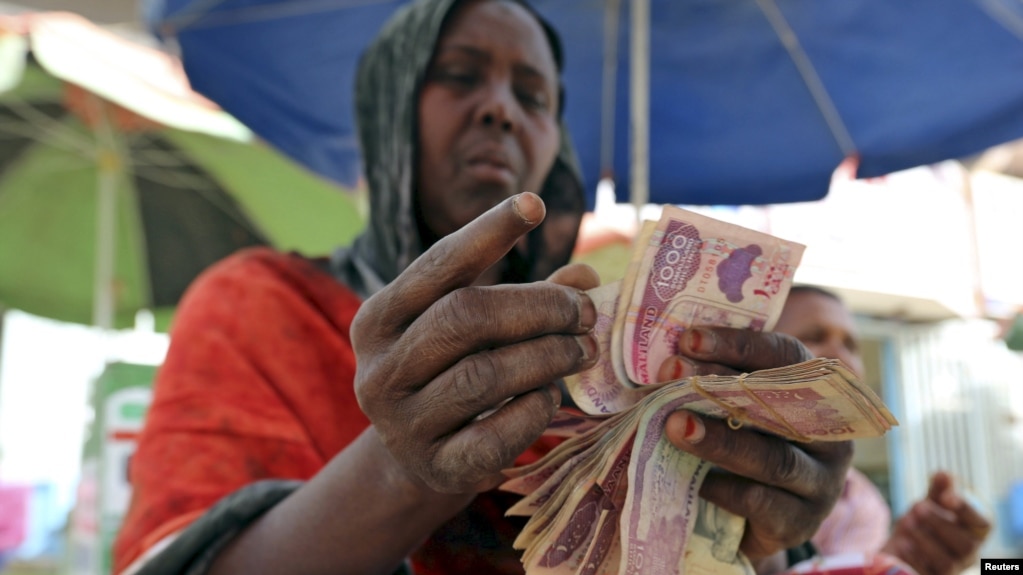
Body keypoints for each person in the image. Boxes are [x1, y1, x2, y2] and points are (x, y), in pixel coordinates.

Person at [112, 2, 852, 574]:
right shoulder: (262, 303)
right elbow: (185, 556)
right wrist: (401, 469)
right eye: (459, 75)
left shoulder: (604, 360)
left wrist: (761, 531)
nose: (500, 107)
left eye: (533, 96)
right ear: (389, 115)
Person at [774, 285, 992, 575]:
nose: (844, 361)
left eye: (851, 346)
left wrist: (895, 560)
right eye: (814, 337)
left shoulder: (862, 502)